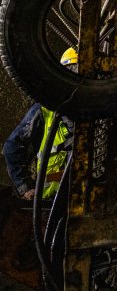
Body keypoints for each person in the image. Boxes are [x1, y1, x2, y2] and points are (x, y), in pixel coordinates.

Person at [3, 48, 76, 200]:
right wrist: (25, 188)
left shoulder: (99, 110)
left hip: (90, 195)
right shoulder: (44, 109)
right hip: (50, 199)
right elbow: (12, 146)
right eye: (71, 71)